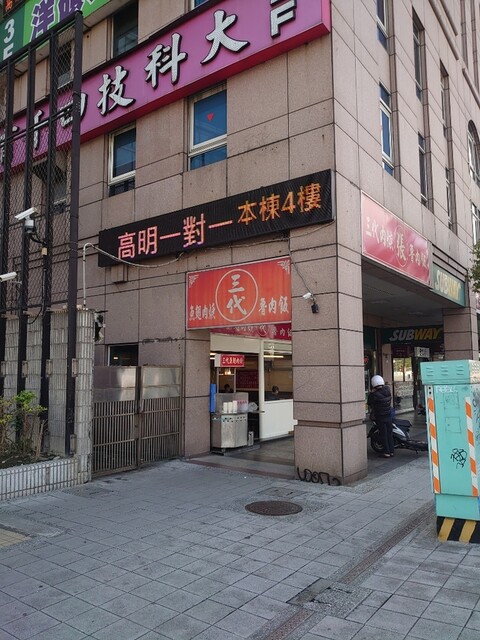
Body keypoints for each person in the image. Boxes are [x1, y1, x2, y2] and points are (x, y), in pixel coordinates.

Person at [367, 375, 394, 458]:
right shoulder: (387, 390)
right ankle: (391, 451)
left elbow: (369, 402)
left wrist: (371, 392)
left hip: (381, 417)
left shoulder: (374, 395)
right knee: (389, 434)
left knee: (383, 434)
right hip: (388, 415)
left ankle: (386, 452)